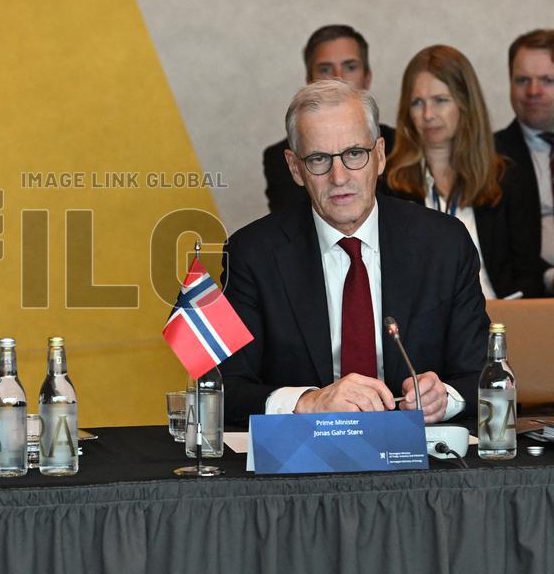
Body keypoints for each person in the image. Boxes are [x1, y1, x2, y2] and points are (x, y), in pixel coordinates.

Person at [223, 80, 488, 425]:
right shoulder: (252, 254)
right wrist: (309, 402)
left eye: (354, 154)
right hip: (303, 462)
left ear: (379, 155)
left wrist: (445, 399)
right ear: (294, 167)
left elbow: (484, 375)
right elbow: (224, 386)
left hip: (419, 461)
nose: (339, 176)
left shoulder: (443, 244)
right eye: (319, 158)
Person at [382, 45, 543, 299]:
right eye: (417, 102)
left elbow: (529, 274)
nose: (428, 115)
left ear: (465, 103)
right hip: (426, 327)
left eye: (440, 100)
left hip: (499, 321)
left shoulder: (508, 176)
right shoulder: (389, 184)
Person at [263, 25, 396, 212]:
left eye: (350, 67)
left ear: (367, 77)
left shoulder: (402, 146)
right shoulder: (278, 158)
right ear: (309, 80)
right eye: (325, 69)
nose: (338, 78)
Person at [494, 29, 554, 296]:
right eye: (522, 80)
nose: (533, 91)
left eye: (546, 80)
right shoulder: (489, 157)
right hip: (525, 299)